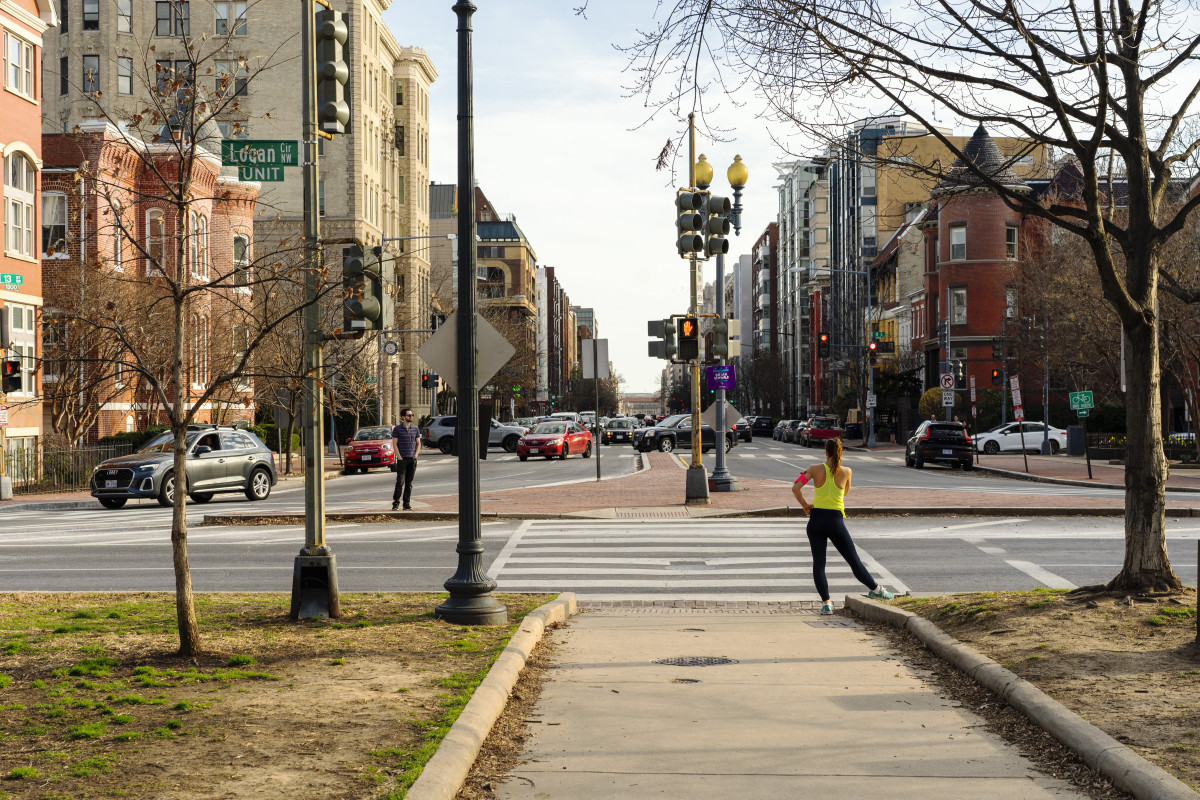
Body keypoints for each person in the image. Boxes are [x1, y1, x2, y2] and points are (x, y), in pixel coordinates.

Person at [792, 438, 894, 615]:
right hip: (835, 521)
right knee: (853, 560)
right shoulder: (847, 472)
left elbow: (795, 487)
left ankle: (826, 603)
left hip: (816, 520)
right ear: (841, 452)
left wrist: (805, 505)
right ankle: (877, 590)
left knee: (819, 564)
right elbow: (845, 492)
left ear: (825, 452)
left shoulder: (813, 469)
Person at [390, 408, 421, 511]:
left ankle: (406, 504)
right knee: (400, 482)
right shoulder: (397, 429)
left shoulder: (415, 429)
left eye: (412, 415)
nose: (411, 417)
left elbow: (418, 443)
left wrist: (416, 455)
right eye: (409, 415)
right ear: (403, 417)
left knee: (409, 483)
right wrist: (399, 457)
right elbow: (394, 443)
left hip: (412, 459)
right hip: (402, 459)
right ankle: (396, 503)